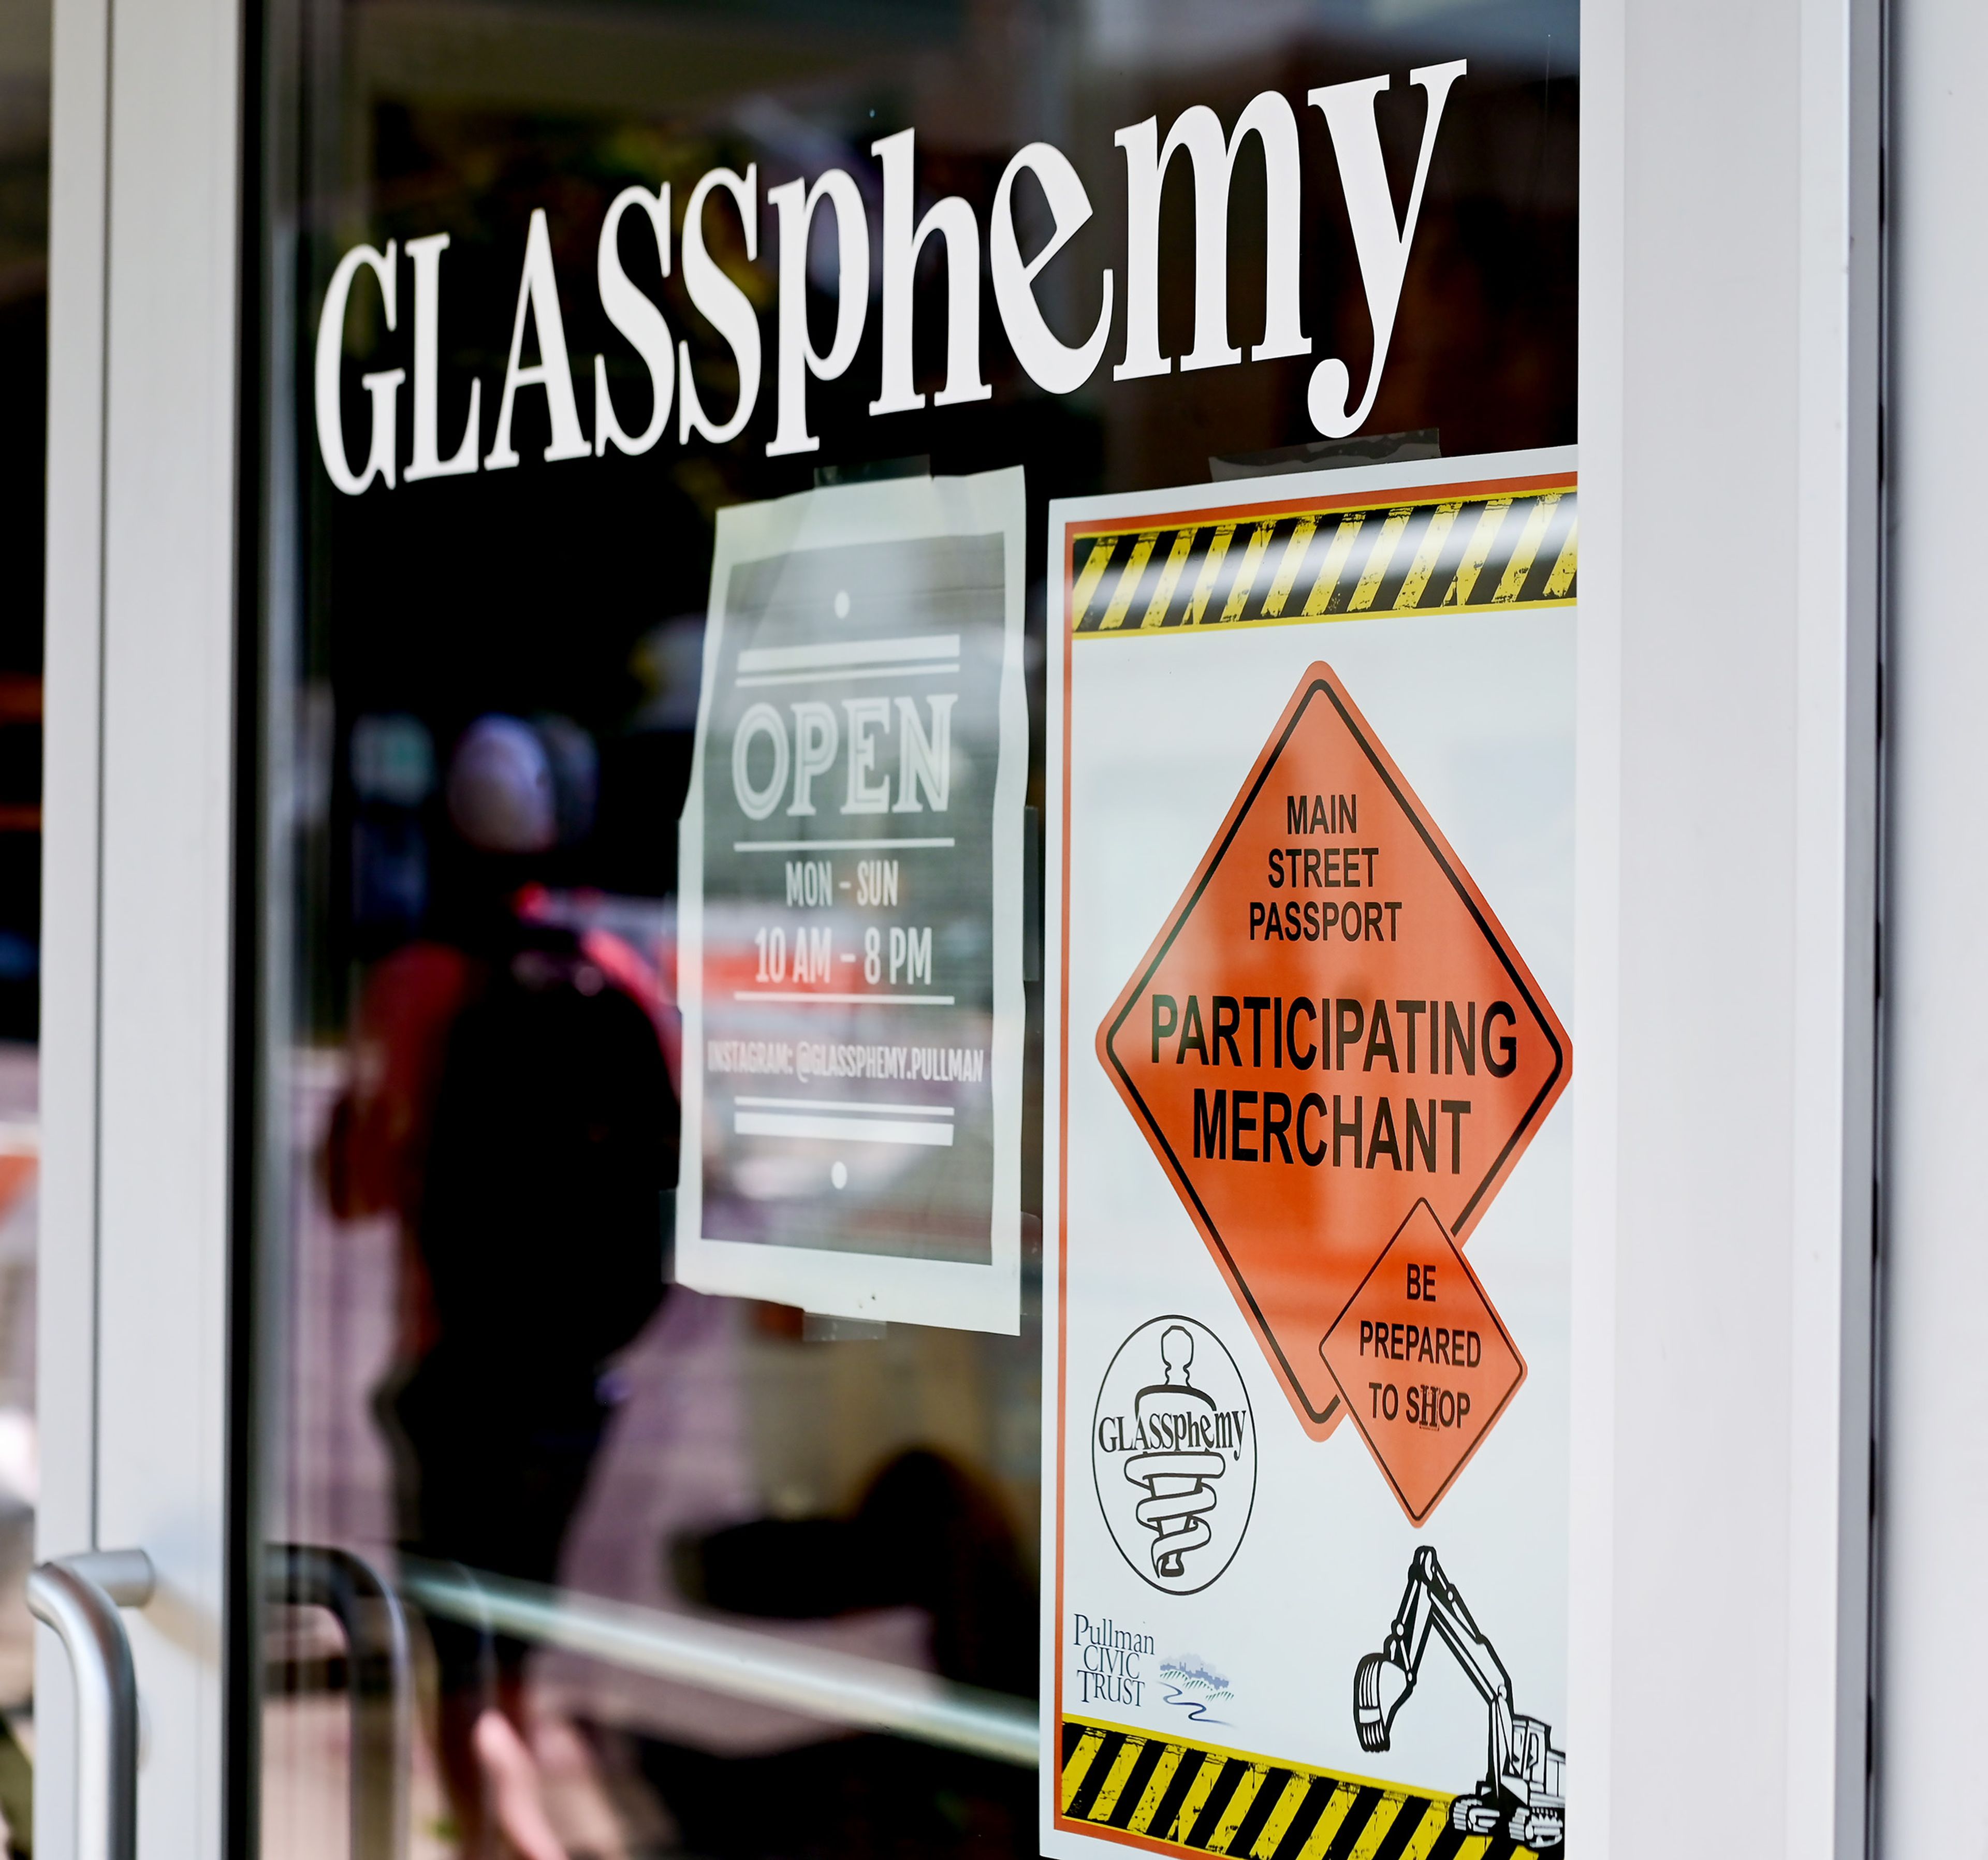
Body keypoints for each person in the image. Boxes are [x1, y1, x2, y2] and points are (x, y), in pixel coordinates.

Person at [327, 714, 677, 1859]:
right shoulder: (623, 974)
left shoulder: (419, 983)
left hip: (455, 1378)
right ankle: (504, 1833)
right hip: (578, 1376)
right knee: (516, 1657)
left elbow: (355, 1190)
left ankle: (509, 1846)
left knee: (459, 1673)